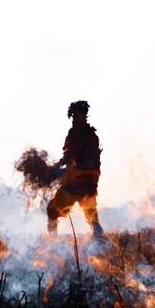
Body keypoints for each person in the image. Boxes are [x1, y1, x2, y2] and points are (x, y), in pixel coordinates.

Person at [47, 101, 105, 239]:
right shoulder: (72, 134)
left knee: (91, 216)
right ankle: (53, 241)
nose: (74, 119)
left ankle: (100, 243)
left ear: (84, 116)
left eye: (77, 116)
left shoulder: (90, 137)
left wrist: (77, 172)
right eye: (73, 116)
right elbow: (68, 156)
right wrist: (56, 167)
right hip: (72, 185)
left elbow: (94, 167)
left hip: (86, 185)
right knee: (52, 210)